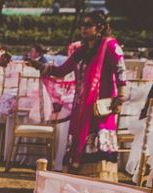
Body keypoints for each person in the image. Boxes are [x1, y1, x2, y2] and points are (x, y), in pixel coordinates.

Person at [33, 10, 126, 181]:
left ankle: (101, 184)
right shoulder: (82, 51)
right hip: (82, 108)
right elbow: (61, 71)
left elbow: (120, 68)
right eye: (82, 25)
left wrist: (120, 97)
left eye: (88, 25)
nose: (83, 28)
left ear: (100, 27)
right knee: (80, 144)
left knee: (98, 145)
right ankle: (81, 183)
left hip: (100, 108)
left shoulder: (110, 46)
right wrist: (40, 66)